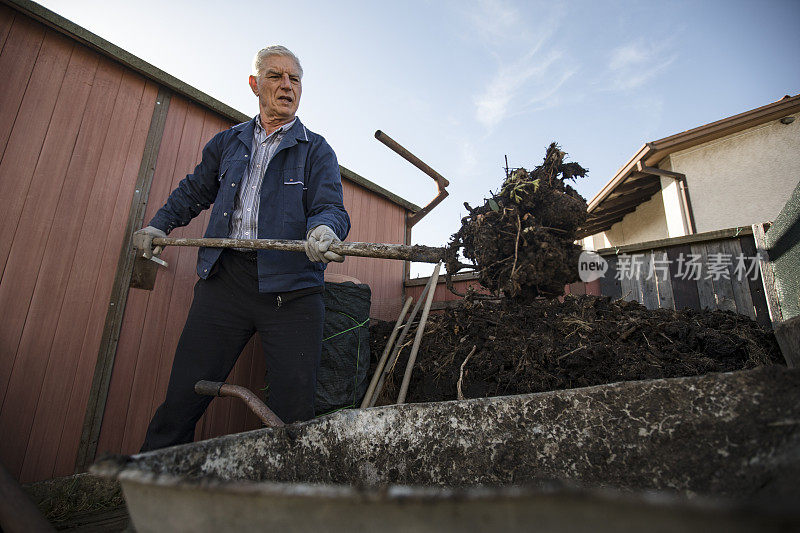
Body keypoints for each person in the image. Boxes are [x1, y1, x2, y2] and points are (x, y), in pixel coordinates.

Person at [133, 45, 350, 451]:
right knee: (184, 394)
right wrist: (157, 225)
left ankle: (286, 499)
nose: (287, 85)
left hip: (294, 289)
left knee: (293, 414)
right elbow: (194, 192)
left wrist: (323, 230)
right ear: (255, 85)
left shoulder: (316, 150)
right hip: (225, 282)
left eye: (295, 79)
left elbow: (330, 207)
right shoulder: (228, 143)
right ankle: (152, 485)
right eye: (275, 76)